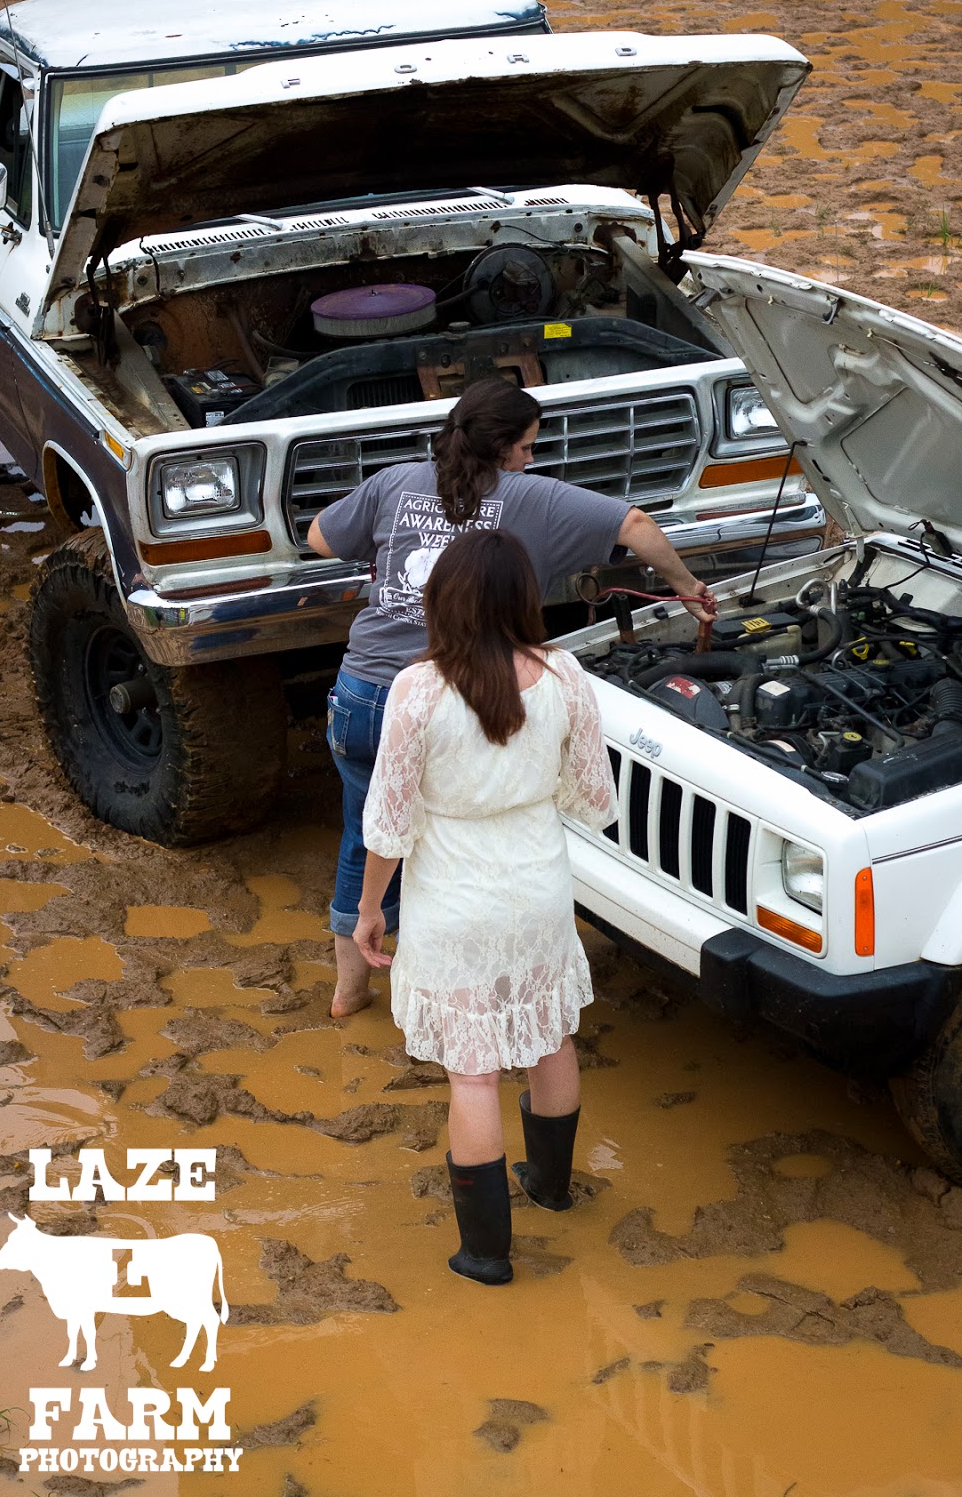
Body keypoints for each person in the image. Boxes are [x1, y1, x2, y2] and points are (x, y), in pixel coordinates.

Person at [307, 376, 716, 1020]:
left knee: (367, 833)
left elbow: (320, 538)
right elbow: (636, 526)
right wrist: (687, 587)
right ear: (501, 447)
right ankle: (469, 995)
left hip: (365, 692)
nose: (531, 457)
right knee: (460, 840)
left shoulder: (393, 482)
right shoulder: (534, 498)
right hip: (457, 700)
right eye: (527, 446)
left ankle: (350, 992)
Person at [353, 529, 617, 1285]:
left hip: (454, 900)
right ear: (525, 597)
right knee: (549, 1035)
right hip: (538, 890)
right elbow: (594, 801)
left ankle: (486, 1254)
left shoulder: (419, 689)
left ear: (444, 601)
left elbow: (389, 825)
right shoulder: (565, 674)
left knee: (472, 1074)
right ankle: (552, 1188)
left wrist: (370, 909)